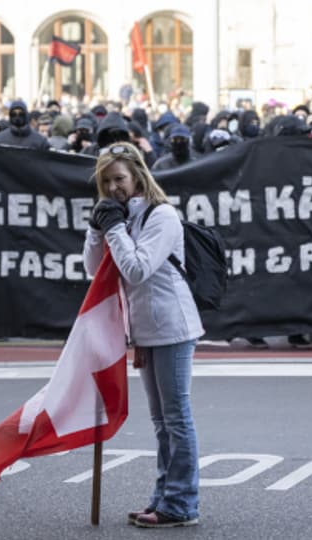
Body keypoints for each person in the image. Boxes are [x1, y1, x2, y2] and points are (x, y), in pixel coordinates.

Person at [82, 142, 202, 528]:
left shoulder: (162, 215)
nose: (114, 187)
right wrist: (96, 228)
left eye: (119, 179)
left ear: (137, 176)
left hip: (173, 324)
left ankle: (182, 503)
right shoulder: (125, 216)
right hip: (147, 329)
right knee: (161, 421)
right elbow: (92, 267)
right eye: (106, 182)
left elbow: (136, 270)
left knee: (176, 418)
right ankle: (164, 498)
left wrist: (114, 227)